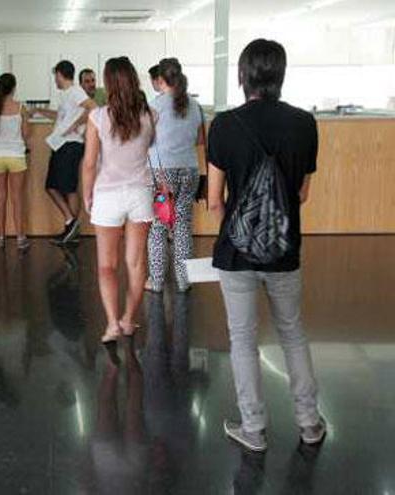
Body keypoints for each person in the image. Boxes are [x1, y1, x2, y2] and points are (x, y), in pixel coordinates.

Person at [207, 39, 325, 452]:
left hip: (235, 254)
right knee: (292, 333)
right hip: (285, 250)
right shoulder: (304, 123)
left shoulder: (223, 125)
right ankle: (309, 422)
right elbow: (302, 193)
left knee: (242, 339)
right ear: (281, 75)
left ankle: (253, 428)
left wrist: (239, 229)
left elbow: (215, 199)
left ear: (243, 75)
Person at [81, 56, 155, 351]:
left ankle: (112, 323)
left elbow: (89, 163)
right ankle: (128, 319)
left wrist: (88, 194)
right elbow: (147, 151)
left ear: (108, 82)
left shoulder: (98, 117)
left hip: (108, 195)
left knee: (106, 265)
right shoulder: (149, 115)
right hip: (140, 194)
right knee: (136, 264)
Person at [146, 58, 205, 293]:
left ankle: (157, 281)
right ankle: (184, 281)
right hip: (189, 171)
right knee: (182, 226)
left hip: (162, 175)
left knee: (159, 226)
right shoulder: (194, 105)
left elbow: (144, 138)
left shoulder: (154, 106)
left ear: (160, 79)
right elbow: (201, 140)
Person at [35, 60, 95, 244]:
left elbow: (93, 108)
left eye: (55, 75)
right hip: (61, 144)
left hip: (70, 145)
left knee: (57, 187)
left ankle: (71, 223)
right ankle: (71, 227)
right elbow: (60, 116)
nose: (55, 79)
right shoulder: (65, 94)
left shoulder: (76, 91)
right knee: (65, 188)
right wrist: (39, 110)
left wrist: (76, 125)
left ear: (60, 74)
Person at [0, 73, 30, 250]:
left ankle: (0, 237)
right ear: (14, 88)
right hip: (16, 157)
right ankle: (20, 238)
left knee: (1, 197)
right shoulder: (21, 108)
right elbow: (26, 134)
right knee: (17, 198)